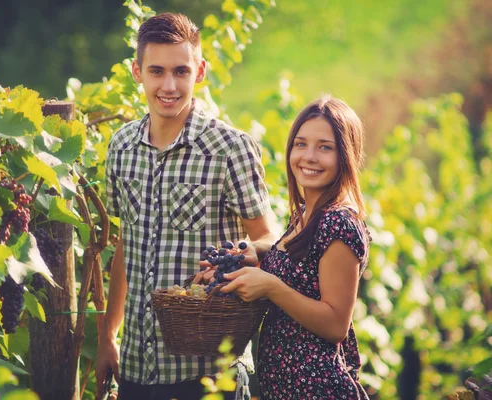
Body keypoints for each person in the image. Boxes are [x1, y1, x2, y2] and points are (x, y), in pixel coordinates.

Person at [96, 12, 278, 400]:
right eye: (156, 71)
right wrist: (108, 337)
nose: (168, 85)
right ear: (137, 72)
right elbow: (126, 248)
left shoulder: (229, 149)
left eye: (181, 71)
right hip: (134, 370)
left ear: (200, 72)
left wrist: (238, 258)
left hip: (206, 375)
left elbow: (266, 237)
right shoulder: (121, 148)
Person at [221, 95, 371, 399]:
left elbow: (335, 324)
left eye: (324, 147)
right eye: (301, 144)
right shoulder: (304, 215)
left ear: (346, 156)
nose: (309, 156)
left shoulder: (338, 224)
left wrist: (272, 286)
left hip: (318, 389)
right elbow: (304, 273)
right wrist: (259, 253)